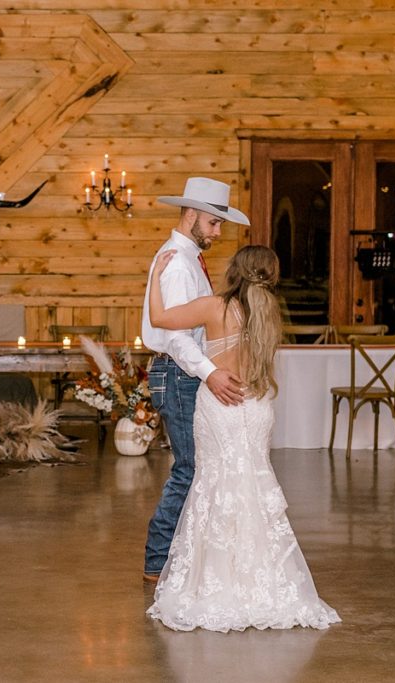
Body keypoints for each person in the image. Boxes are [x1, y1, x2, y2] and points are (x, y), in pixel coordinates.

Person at [145, 245, 340, 632]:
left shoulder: (214, 307)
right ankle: (261, 582)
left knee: (214, 485)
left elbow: (159, 318)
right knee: (253, 485)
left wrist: (154, 278)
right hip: (255, 406)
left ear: (235, 269)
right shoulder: (269, 312)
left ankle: (216, 581)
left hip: (220, 405)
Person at [142, 177, 248, 582]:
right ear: (190, 215)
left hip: (184, 373)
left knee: (194, 466)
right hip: (180, 372)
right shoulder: (179, 264)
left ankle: (173, 555)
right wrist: (211, 372)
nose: (218, 233)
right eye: (214, 223)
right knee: (191, 468)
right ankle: (157, 559)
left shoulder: (186, 259)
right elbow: (176, 338)